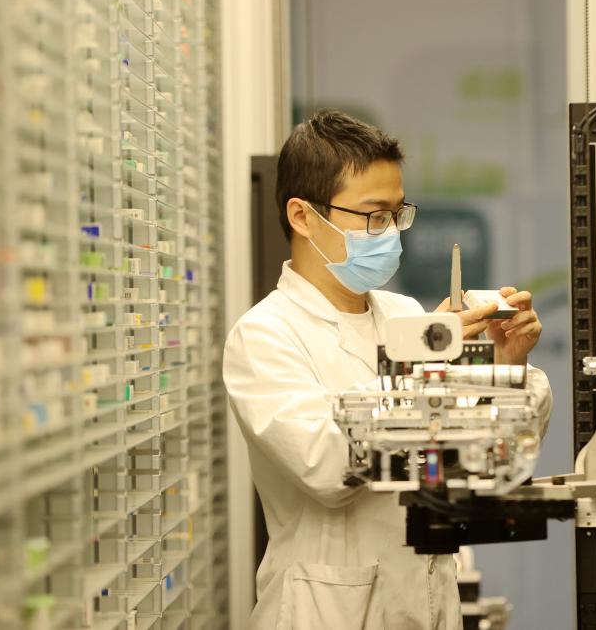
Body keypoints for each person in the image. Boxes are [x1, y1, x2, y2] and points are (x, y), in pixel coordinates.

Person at [223, 109, 553, 629]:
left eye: (398, 215)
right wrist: (422, 367)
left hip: (424, 603)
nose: (392, 233)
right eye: (374, 216)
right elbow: (329, 469)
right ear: (303, 217)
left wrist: (507, 368)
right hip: (327, 613)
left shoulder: (403, 316)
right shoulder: (264, 336)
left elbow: (491, 457)